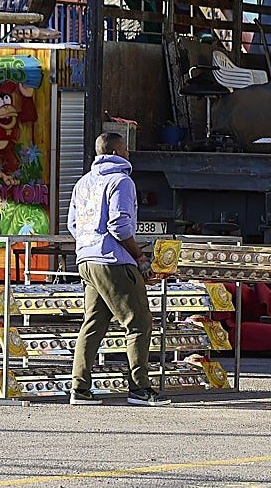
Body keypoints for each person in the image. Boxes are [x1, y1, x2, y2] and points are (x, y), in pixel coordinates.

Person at [67, 132, 170, 406]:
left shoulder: (83, 182)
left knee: (93, 323)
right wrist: (139, 257)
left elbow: (73, 225)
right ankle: (139, 389)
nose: (128, 153)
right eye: (125, 149)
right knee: (138, 323)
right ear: (116, 151)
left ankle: (80, 388)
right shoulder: (122, 181)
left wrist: (88, 246)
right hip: (113, 261)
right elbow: (119, 224)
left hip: (86, 260)